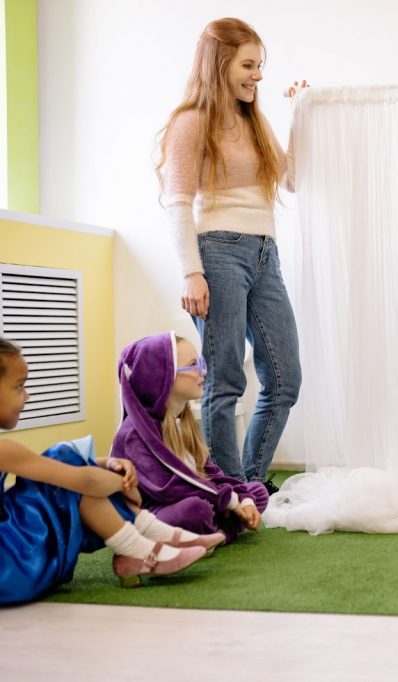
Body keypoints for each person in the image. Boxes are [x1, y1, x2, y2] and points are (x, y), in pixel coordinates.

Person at [157, 17, 305, 491]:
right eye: (248, 64)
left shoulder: (252, 119)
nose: (256, 75)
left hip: (266, 254)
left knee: (285, 379)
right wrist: (191, 273)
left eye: (259, 66)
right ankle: (229, 492)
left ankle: (250, 484)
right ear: (219, 63)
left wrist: (300, 112)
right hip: (217, 253)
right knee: (224, 383)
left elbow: (294, 179)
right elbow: (177, 201)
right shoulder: (191, 121)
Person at [0, 338, 214, 602]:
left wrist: (108, 464)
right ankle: (140, 545)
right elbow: (85, 482)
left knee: (64, 459)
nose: (27, 395)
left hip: (14, 562)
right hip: (13, 566)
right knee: (66, 461)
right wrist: (122, 484)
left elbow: (50, 468)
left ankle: (149, 537)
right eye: (19, 387)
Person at [112, 333, 268, 543]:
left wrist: (243, 499)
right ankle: (221, 532)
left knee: (256, 492)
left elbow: (210, 473)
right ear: (161, 377)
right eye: (193, 365)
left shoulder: (182, 421)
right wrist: (230, 501)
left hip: (194, 497)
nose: (203, 371)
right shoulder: (133, 434)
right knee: (196, 510)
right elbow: (170, 488)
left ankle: (210, 534)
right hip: (150, 512)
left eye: (201, 363)